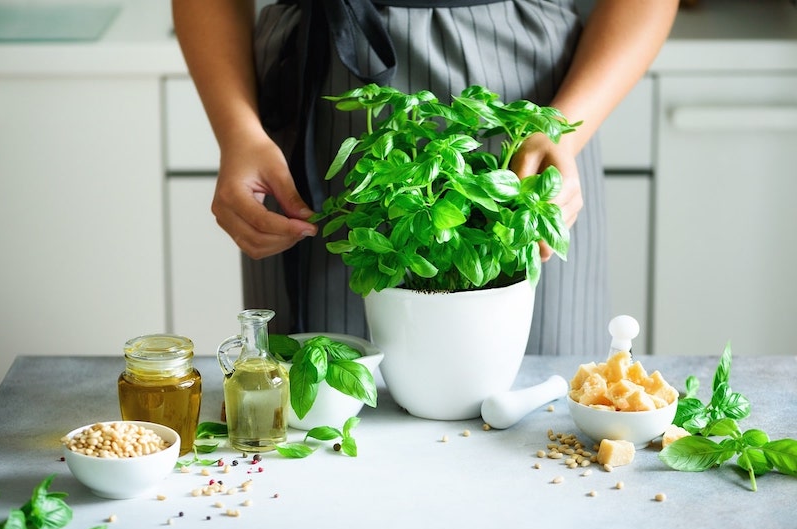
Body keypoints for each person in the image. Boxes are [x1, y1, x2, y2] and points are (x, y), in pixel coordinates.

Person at [172, 0, 679, 356]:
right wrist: (237, 132)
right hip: (317, 95)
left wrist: (566, 129)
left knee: (538, 416)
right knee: (316, 416)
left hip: (531, 104)